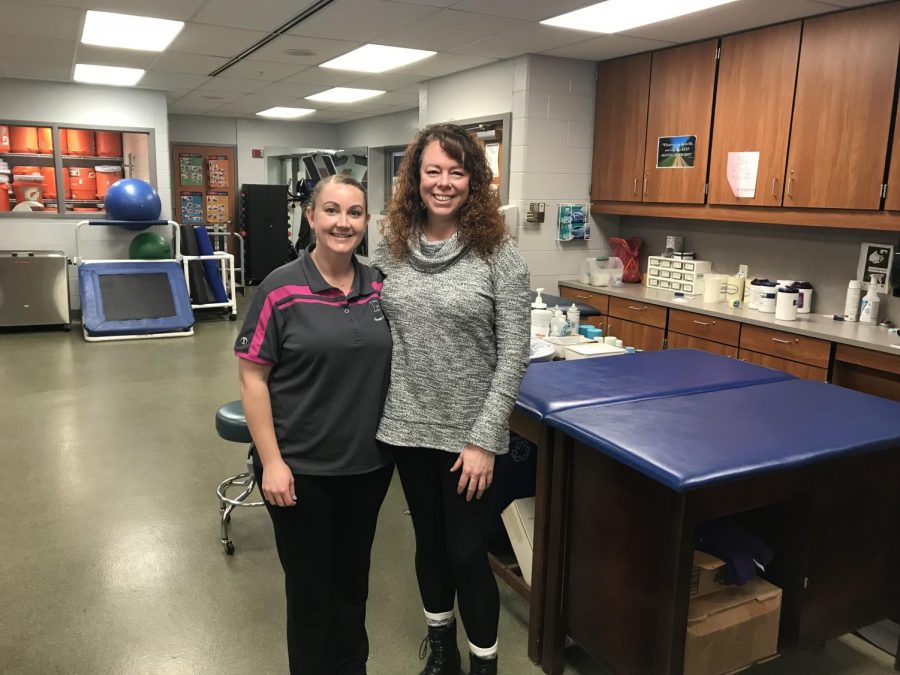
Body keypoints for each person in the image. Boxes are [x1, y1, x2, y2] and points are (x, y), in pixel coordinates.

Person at [371, 123, 531, 675]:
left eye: (456, 172)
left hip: (469, 438)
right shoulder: (390, 247)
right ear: (416, 177)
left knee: (467, 554)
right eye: (433, 170)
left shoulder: (499, 254)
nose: (443, 183)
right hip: (406, 427)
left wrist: (486, 439)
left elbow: (514, 353)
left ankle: (484, 665)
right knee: (429, 545)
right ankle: (442, 651)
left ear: (475, 181)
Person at [234, 175, 393, 675]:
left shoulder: (382, 287)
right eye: (331, 210)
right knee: (309, 591)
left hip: (366, 468)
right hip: (300, 470)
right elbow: (252, 378)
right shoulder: (279, 289)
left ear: (366, 222)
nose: (342, 222)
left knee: (352, 583)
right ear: (311, 217)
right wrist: (274, 464)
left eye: (354, 213)